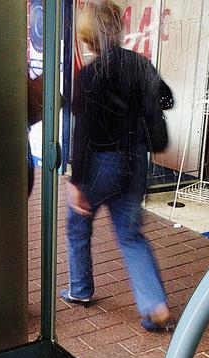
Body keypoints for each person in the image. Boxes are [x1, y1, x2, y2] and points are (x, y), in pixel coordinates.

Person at [60, 0, 174, 331]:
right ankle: (156, 305)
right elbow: (167, 98)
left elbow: (83, 136)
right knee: (130, 236)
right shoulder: (140, 64)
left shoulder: (88, 76)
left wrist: (76, 182)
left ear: (87, 38)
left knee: (77, 223)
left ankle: (80, 289)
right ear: (117, 29)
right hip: (135, 160)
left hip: (100, 164)